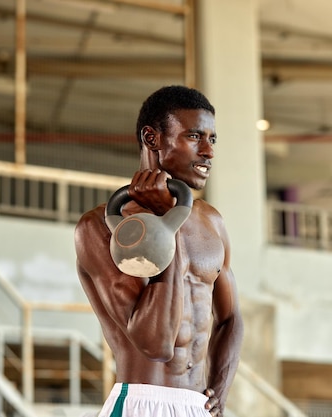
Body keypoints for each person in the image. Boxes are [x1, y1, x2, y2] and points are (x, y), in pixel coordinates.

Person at [74, 85, 244, 417]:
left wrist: (219, 393)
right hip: (141, 403)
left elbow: (230, 317)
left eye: (213, 139)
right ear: (152, 139)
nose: (208, 151)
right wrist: (170, 224)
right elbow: (156, 344)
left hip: (199, 407)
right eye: (195, 137)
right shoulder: (101, 227)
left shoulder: (212, 222)